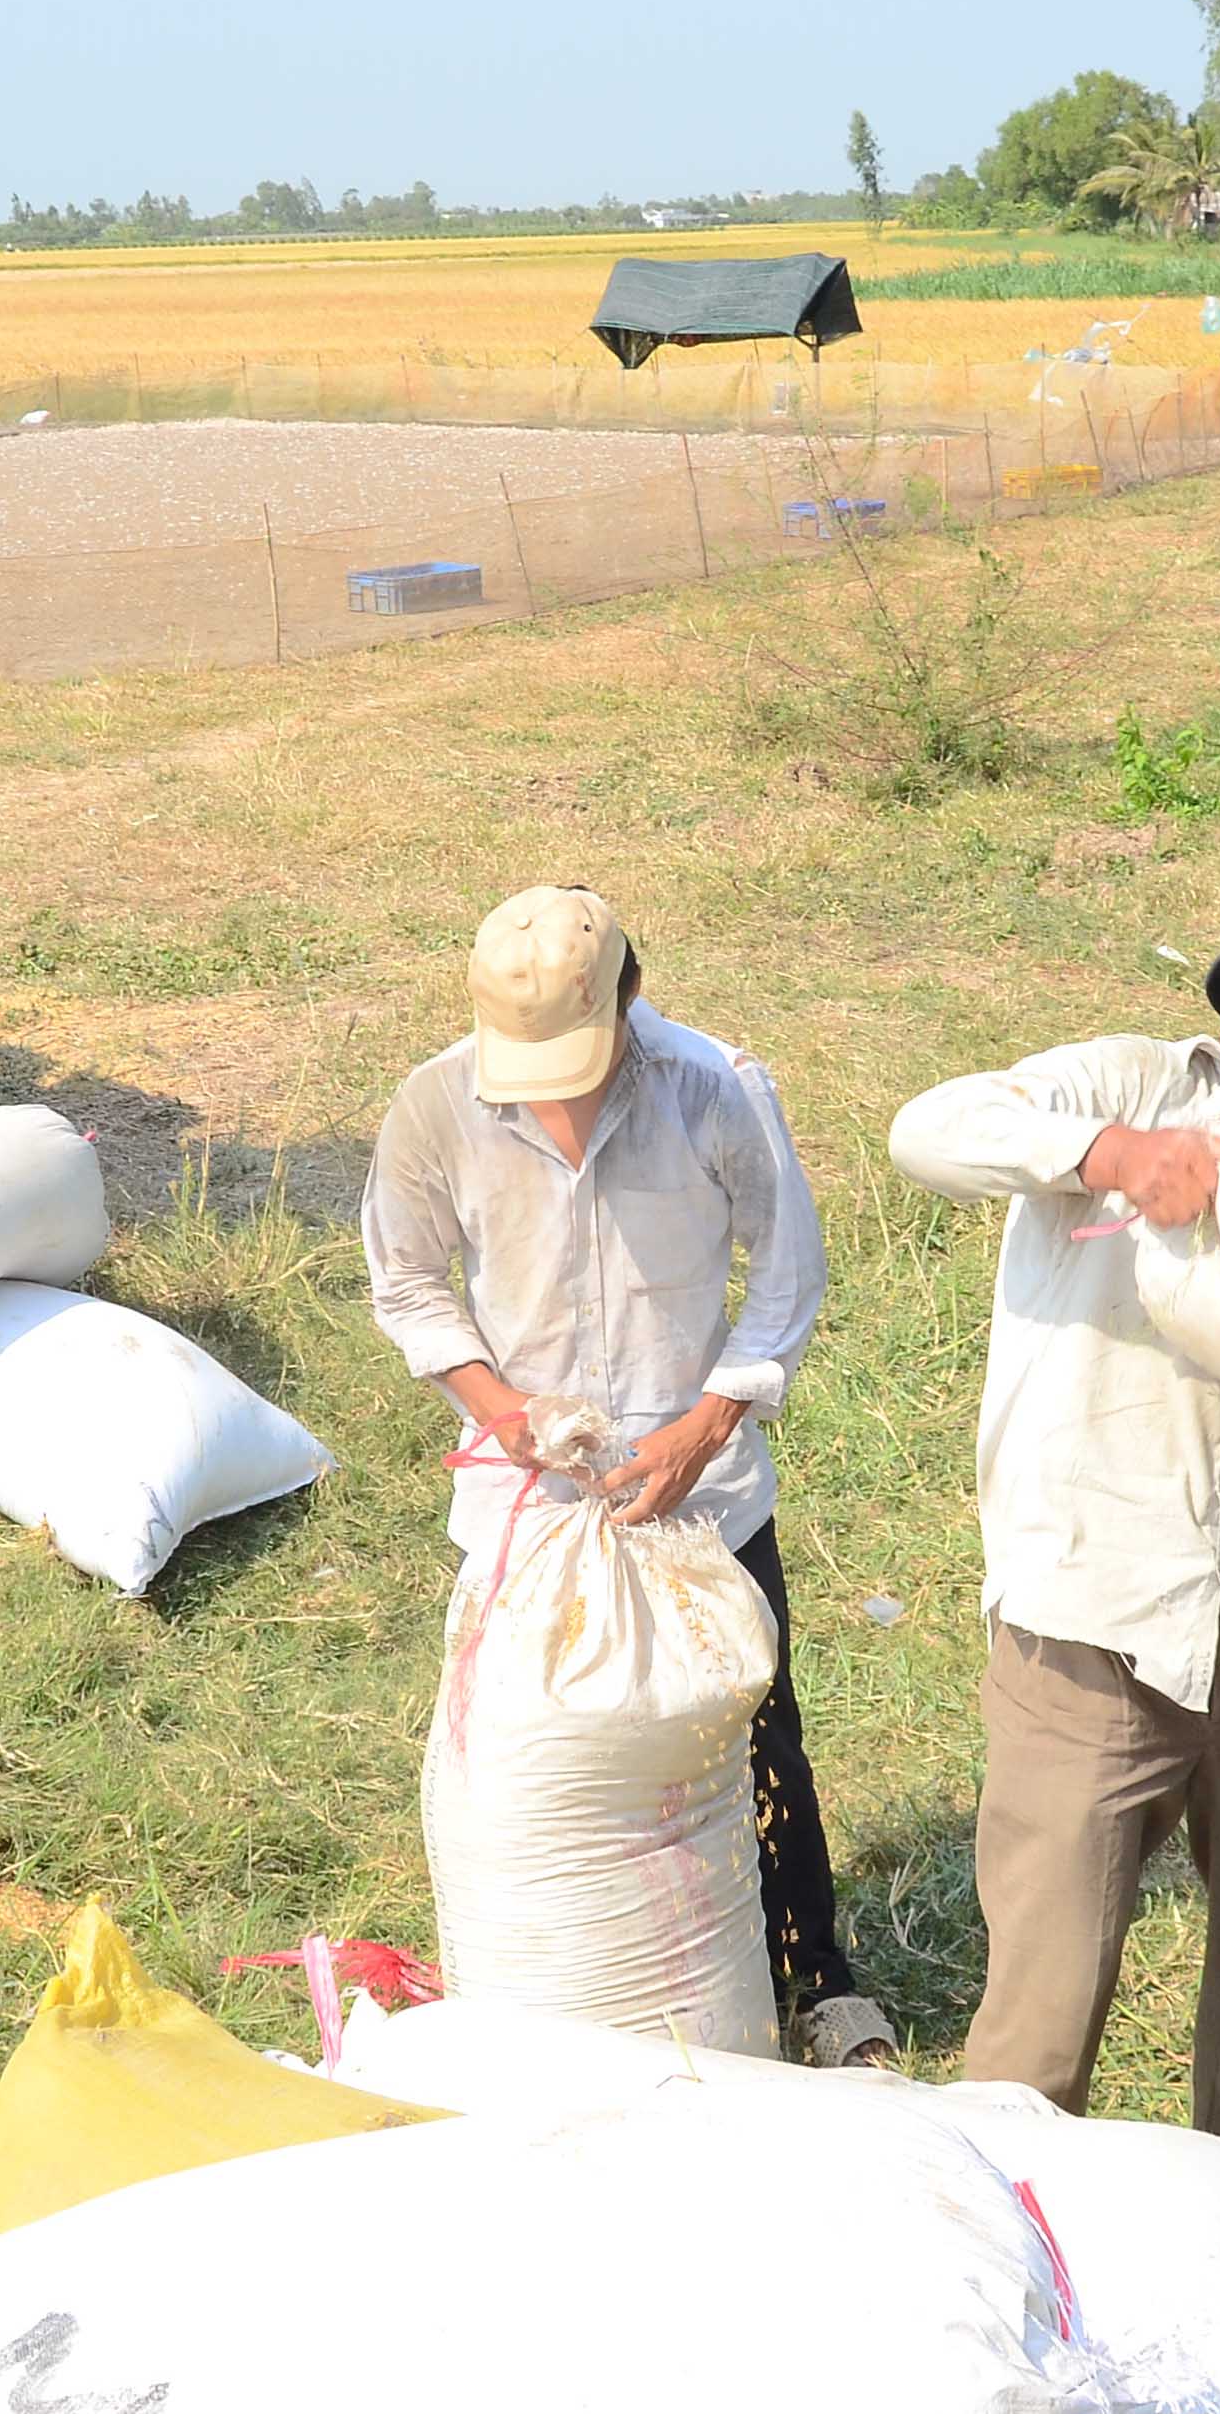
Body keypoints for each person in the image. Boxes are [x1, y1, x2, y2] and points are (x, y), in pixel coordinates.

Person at [884, 886, 1220, 2217]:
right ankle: (1010, 2217)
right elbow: (931, 1131)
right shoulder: (1132, 1078)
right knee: (1050, 1978)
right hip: (1088, 1609)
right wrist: (1116, 1154)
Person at [359, 885, 897, 2066]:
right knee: (527, 1750)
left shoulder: (714, 1088)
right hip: (529, 1506)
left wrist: (707, 1424)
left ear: (631, 997)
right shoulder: (438, 1104)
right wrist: (501, 1413)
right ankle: (552, 1998)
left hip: (699, 1488)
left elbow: (789, 1273)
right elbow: (403, 1279)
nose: (553, 1087)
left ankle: (814, 1979)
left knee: (755, 1736)